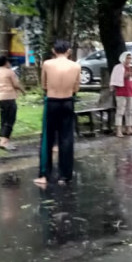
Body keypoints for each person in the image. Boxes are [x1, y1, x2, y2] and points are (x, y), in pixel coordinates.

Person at [36, 40, 81, 185]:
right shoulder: (76, 66)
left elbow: (43, 84)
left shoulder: (48, 64)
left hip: (52, 102)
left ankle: (44, 175)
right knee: (67, 139)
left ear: (53, 51)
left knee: (47, 139)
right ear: (69, 51)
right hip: (68, 101)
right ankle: (65, 176)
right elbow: (76, 88)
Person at [0, 55, 24, 150]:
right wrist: (23, 90)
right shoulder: (9, 72)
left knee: (3, 119)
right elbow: (15, 84)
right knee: (10, 119)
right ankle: (4, 142)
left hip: (0, 97)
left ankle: (2, 140)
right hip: (9, 97)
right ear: (6, 62)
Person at [110, 51, 132, 138]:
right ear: (123, 58)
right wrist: (126, 75)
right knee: (120, 111)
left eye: (130, 58)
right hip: (121, 92)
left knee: (129, 111)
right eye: (128, 58)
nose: (129, 60)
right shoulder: (118, 67)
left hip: (130, 92)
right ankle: (119, 130)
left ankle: (129, 129)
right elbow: (115, 79)